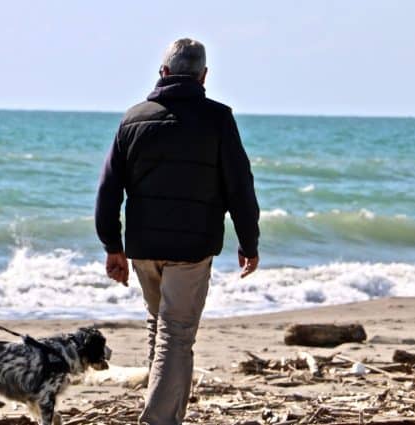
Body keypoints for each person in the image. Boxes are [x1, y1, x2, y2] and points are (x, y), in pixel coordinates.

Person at [95, 38, 260, 425]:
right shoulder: (218, 119)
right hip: (191, 247)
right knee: (176, 334)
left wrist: (112, 246)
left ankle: (165, 413)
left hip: (143, 248)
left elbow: (107, 188)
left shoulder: (133, 118)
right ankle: (159, 420)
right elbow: (240, 185)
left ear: (163, 73)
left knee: (161, 329)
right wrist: (248, 241)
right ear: (203, 76)